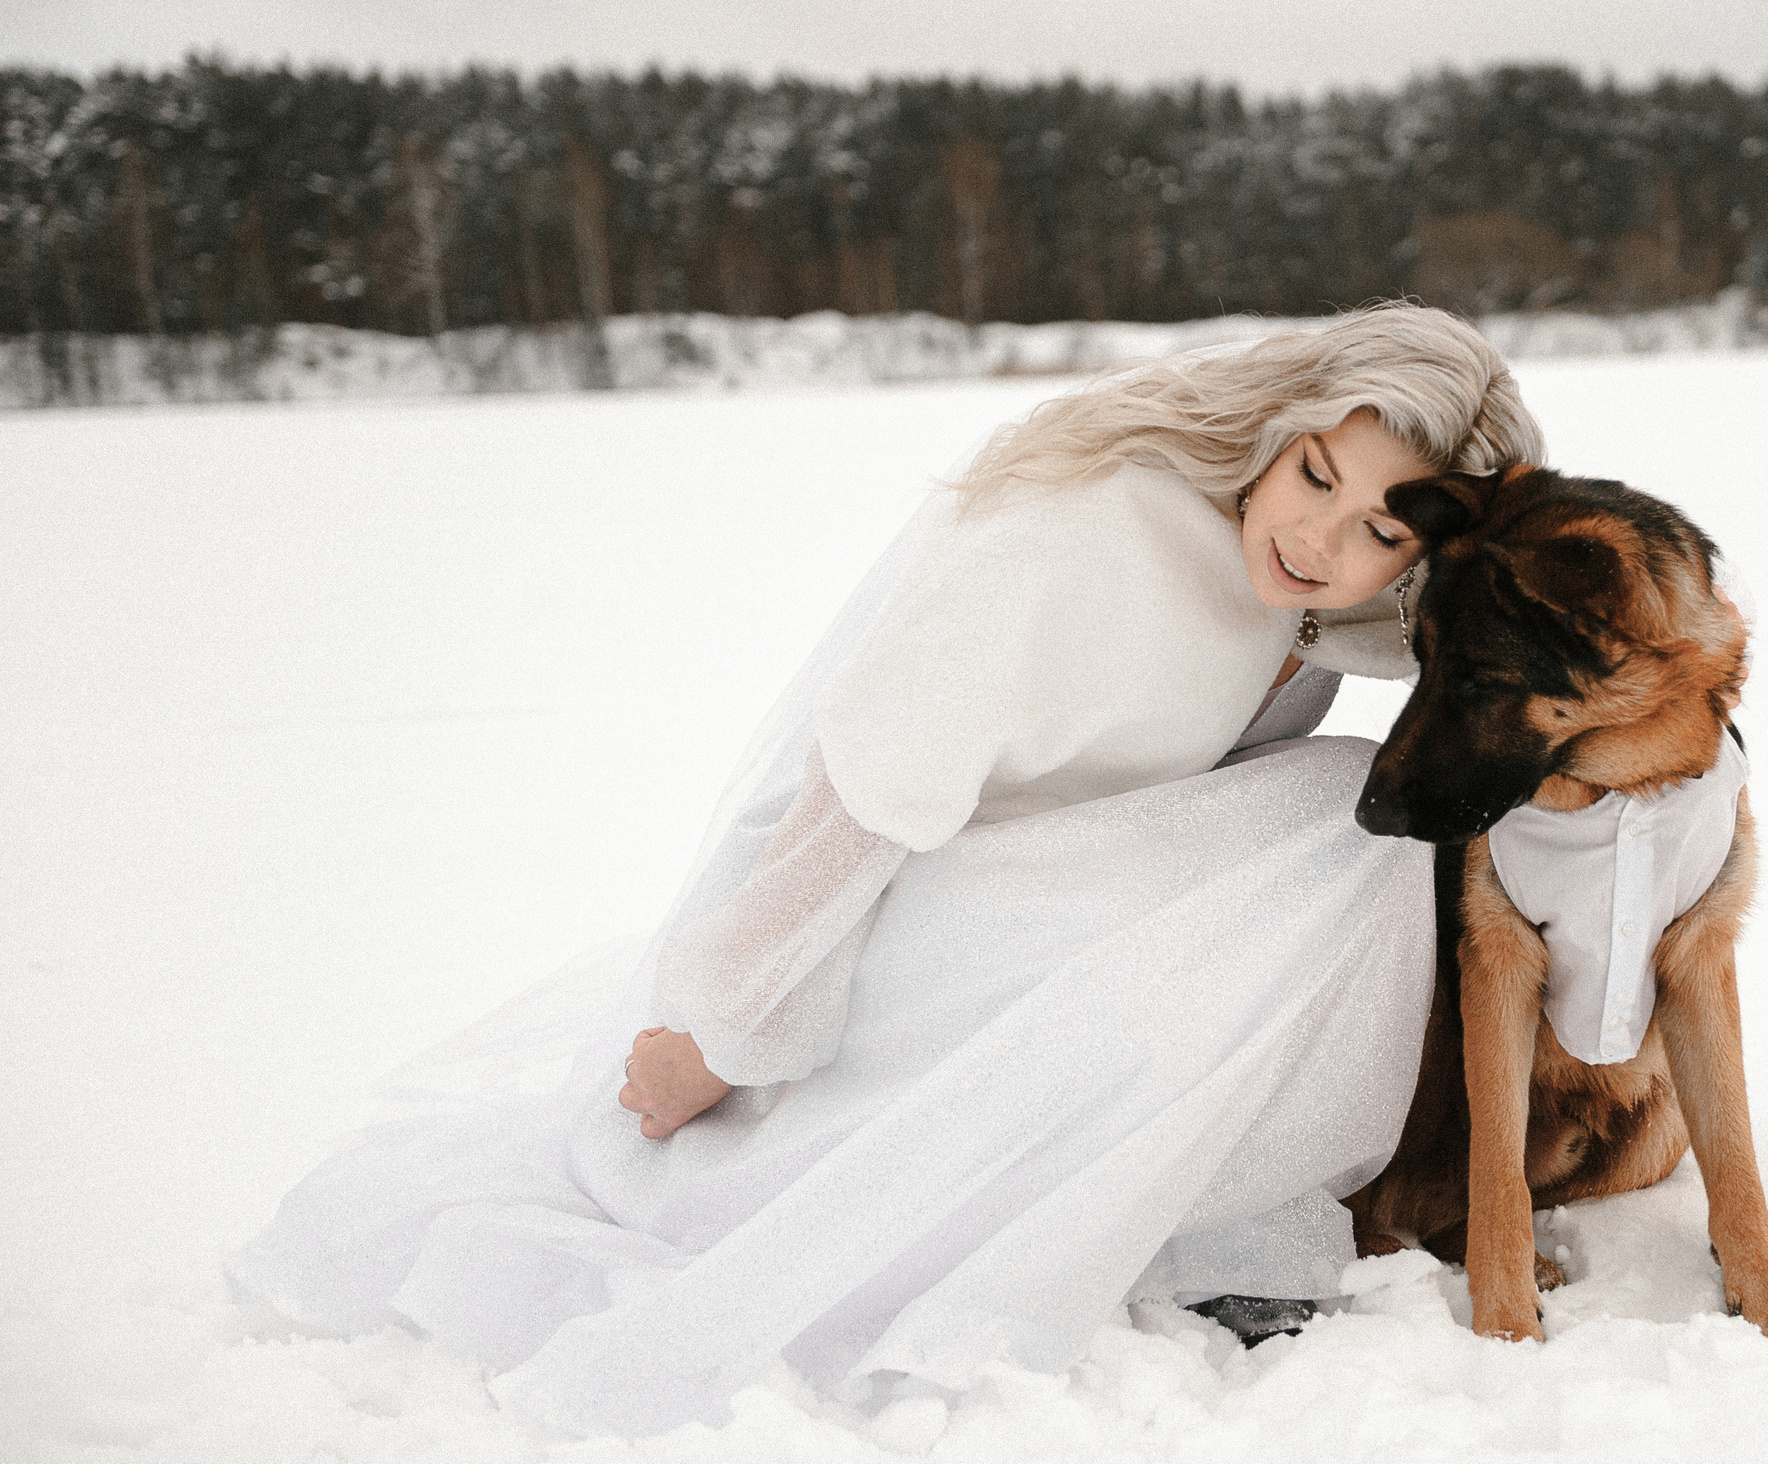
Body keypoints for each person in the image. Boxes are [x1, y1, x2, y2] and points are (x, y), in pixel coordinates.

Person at [231, 302, 1547, 1437]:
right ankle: (1204, 1213)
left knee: (1365, 808)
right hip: (910, 902)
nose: (1322, 540)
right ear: (1281, 422)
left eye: (1382, 529)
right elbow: (853, 798)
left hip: (1055, 903)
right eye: (1316, 473)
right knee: (1339, 813)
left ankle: (1225, 1218)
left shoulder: (1331, 607)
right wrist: (725, 1036)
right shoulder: (1086, 528)